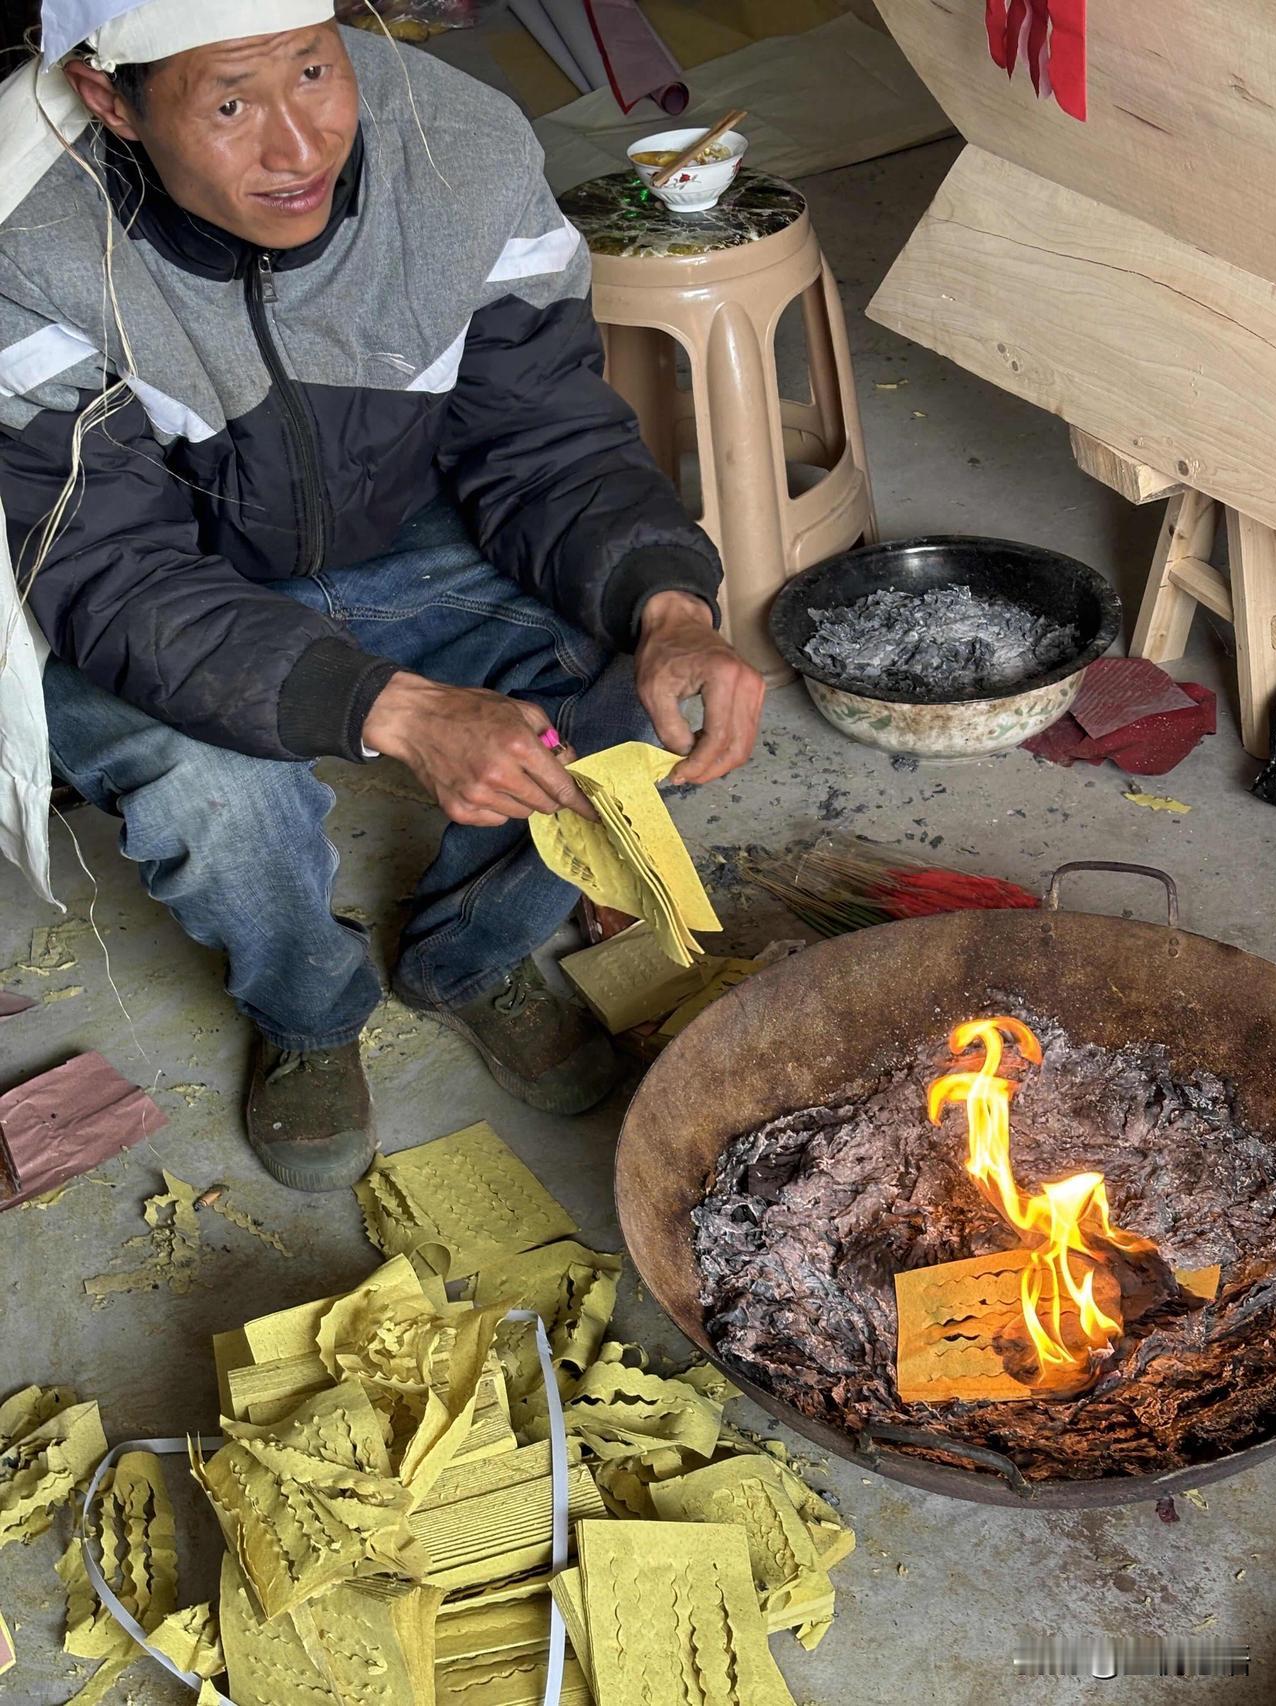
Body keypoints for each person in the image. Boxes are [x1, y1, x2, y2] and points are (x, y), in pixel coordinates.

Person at [0, 1, 764, 1192]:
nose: (299, 145)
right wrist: (395, 710)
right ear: (113, 101)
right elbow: (112, 574)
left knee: (633, 692)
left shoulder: (458, 146)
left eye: (315, 70)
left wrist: (672, 606)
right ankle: (308, 1007)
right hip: (150, 589)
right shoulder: (29, 232)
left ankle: (470, 956)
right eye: (231, 103)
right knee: (217, 792)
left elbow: (547, 438)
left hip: (389, 522)